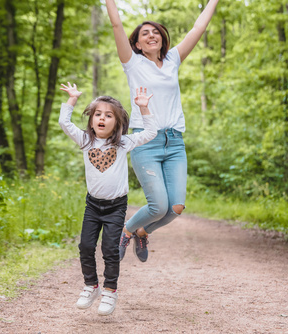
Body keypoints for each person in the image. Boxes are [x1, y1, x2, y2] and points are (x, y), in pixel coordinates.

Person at [105, 0, 220, 262]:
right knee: (158, 205)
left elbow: (198, 28)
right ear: (137, 44)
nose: (151, 35)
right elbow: (116, 24)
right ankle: (127, 230)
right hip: (146, 142)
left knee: (175, 208)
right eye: (144, 33)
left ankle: (142, 231)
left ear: (162, 38)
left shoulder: (172, 60)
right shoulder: (132, 63)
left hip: (175, 143)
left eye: (155, 31)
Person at [59, 82, 157, 316]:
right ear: (92, 120)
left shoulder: (123, 143)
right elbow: (64, 122)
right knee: (85, 245)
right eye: (98, 114)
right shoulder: (85, 141)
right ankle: (91, 286)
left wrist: (143, 108)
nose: (102, 118)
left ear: (118, 122)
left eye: (108, 115)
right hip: (92, 205)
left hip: (115, 207)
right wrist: (72, 99)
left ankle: (110, 291)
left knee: (110, 249)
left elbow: (151, 133)